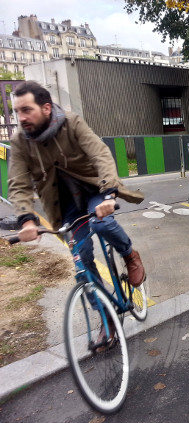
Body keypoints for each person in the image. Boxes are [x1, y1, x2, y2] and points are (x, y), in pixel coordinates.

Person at [8, 81, 145, 344]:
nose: (21, 118)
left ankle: (130, 255)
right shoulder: (20, 142)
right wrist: (26, 219)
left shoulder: (72, 123)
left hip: (94, 189)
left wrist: (109, 193)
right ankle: (107, 319)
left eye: (27, 110)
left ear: (46, 108)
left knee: (103, 224)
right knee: (82, 261)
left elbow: (100, 154)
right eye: (18, 112)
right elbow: (18, 182)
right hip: (64, 205)